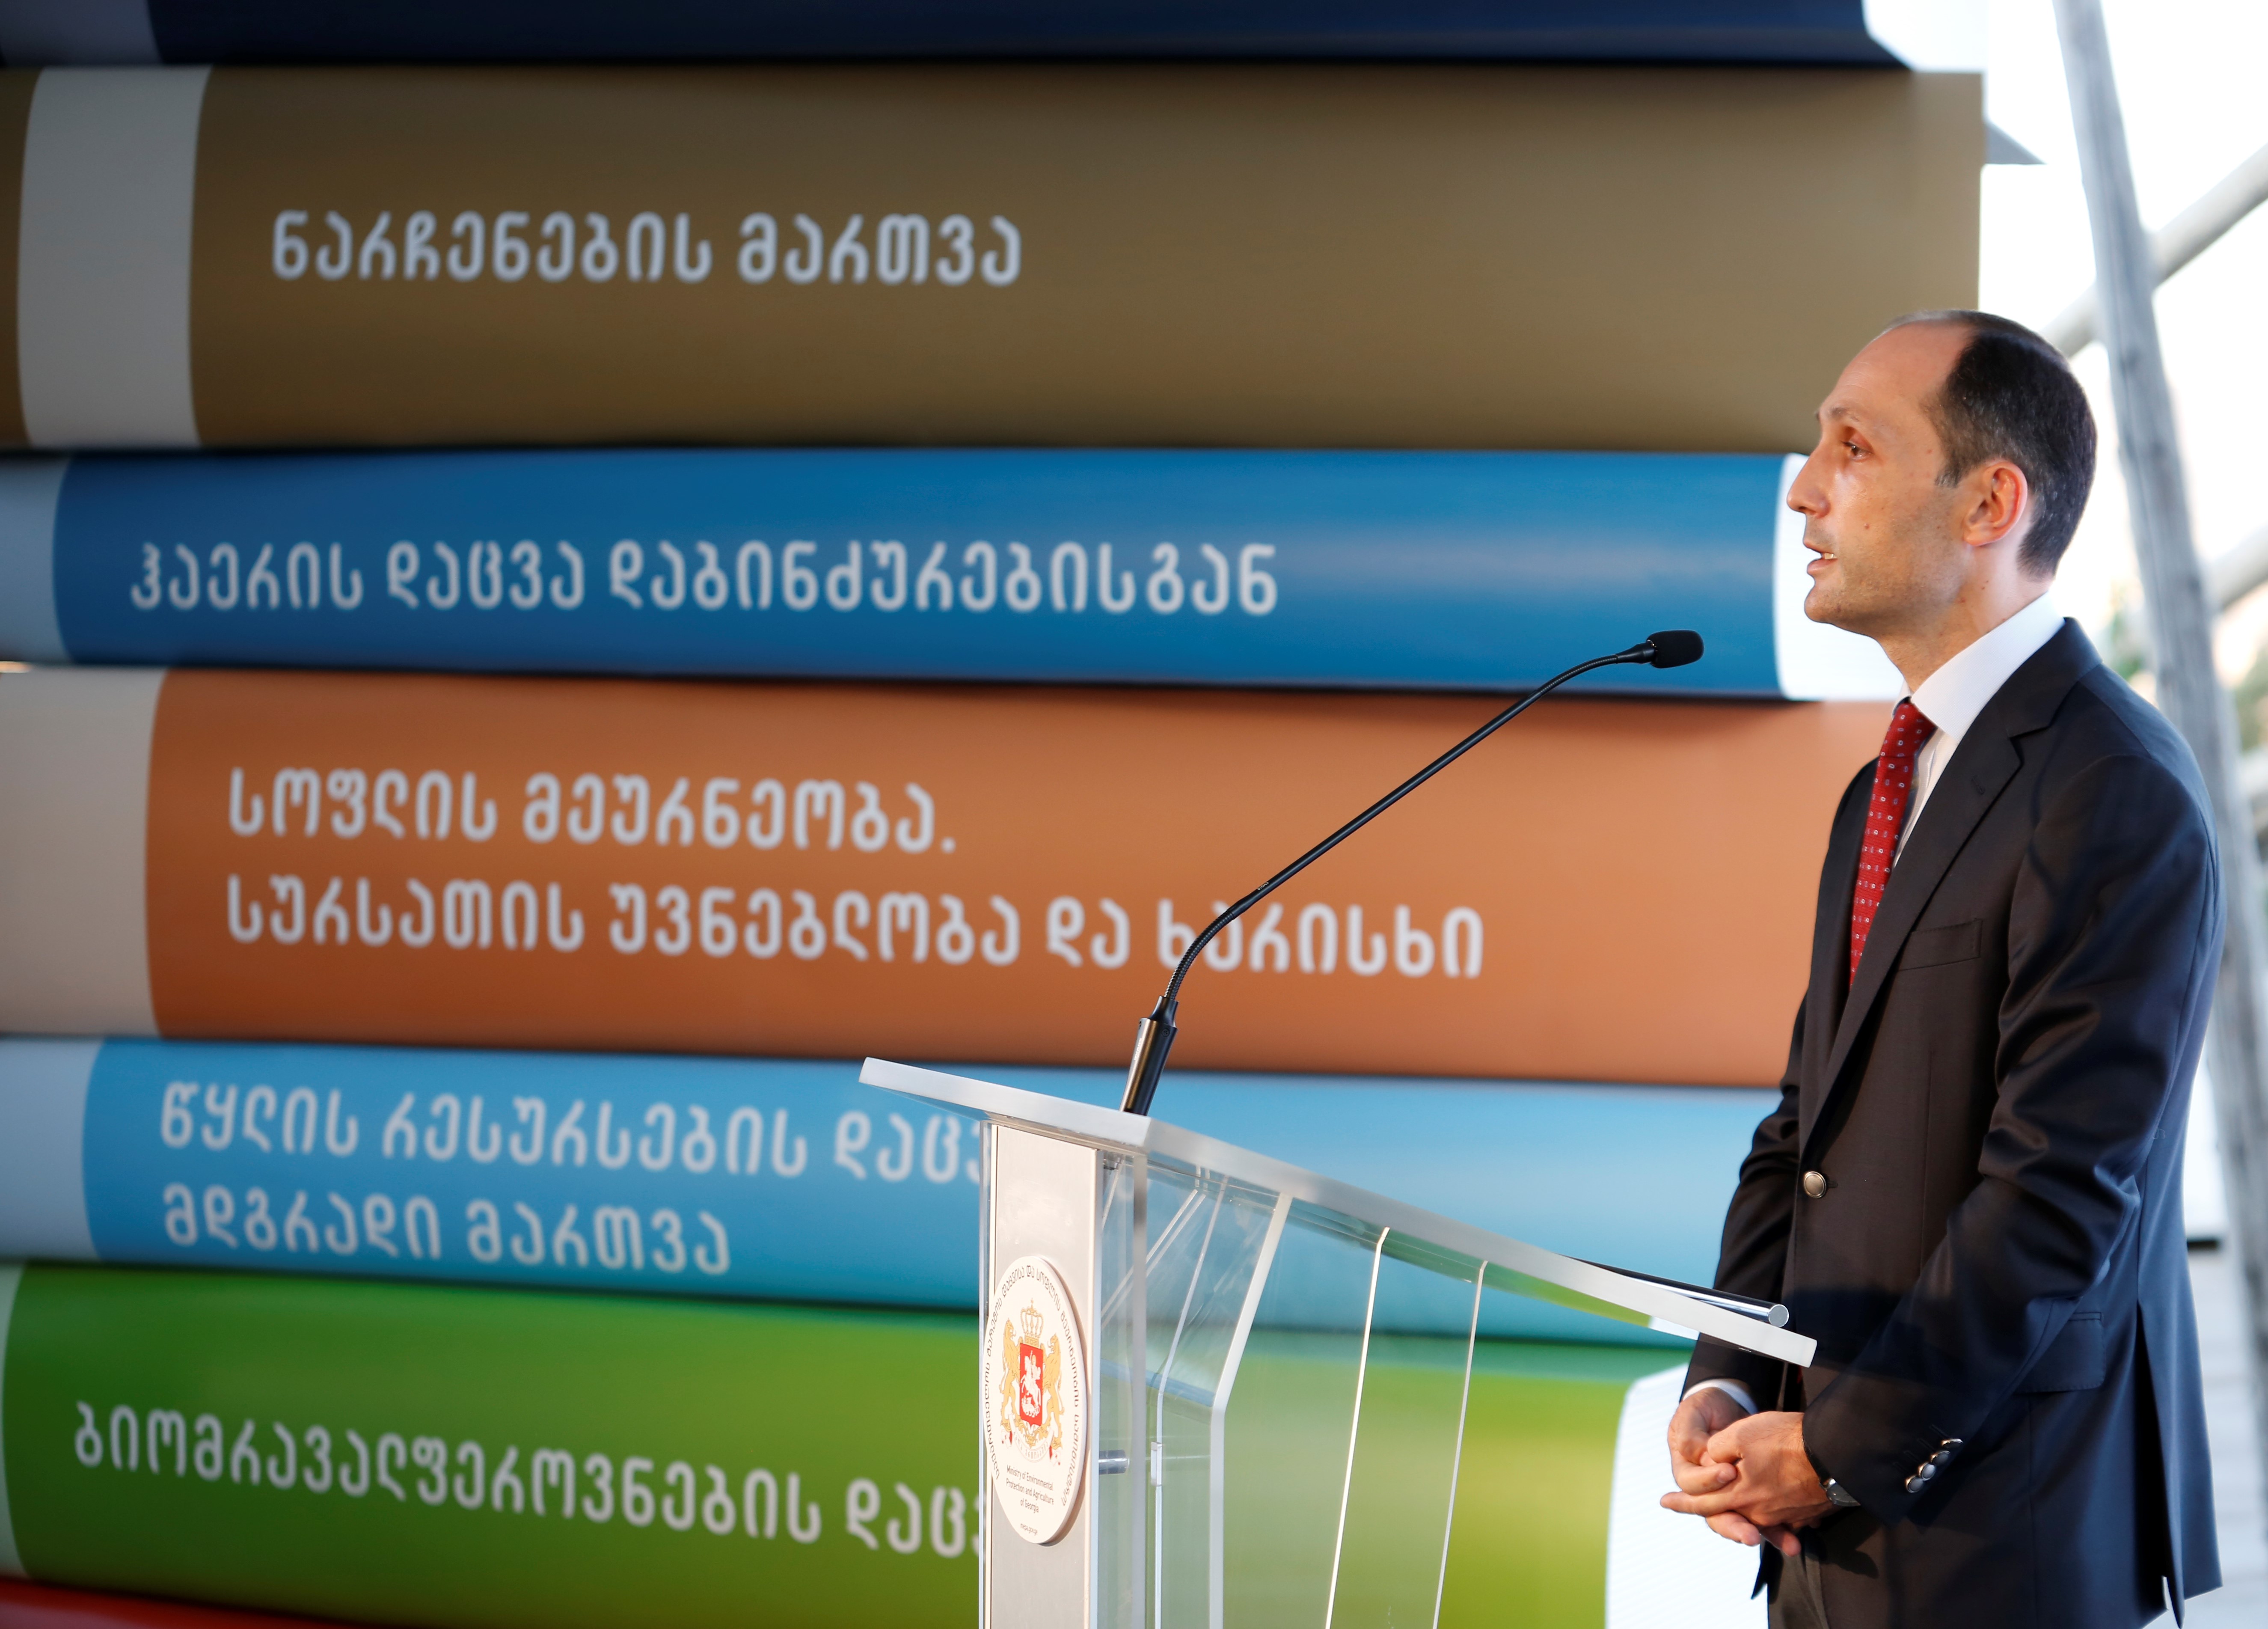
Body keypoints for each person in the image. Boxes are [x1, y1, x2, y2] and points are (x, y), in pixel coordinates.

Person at [1660, 311, 2221, 1627]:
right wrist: (1730, 1376)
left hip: (1997, 1532)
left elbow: (2057, 1194)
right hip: (1822, 1528)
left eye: (1851, 448)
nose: (1803, 489)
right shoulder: (1884, 787)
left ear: (1987, 505)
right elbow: (1802, 1133)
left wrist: (1841, 1446)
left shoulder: (2111, 789)